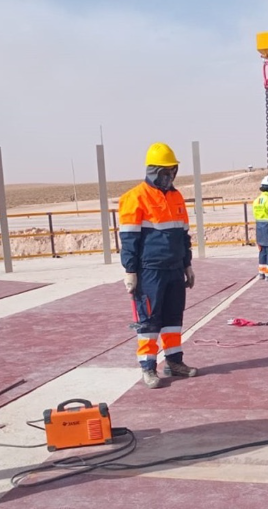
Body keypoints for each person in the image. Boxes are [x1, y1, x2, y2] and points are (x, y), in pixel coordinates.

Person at [119, 142, 198, 389]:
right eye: (164, 171)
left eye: (171, 170)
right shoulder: (134, 198)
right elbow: (129, 239)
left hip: (174, 269)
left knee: (173, 319)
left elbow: (183, 235)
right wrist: (130, 271)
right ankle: (148, 367)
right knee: (150, 322)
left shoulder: (176, 197)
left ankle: (174, 362)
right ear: (152, 170)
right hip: (149, 271)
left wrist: (187, 266)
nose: (169, 175)